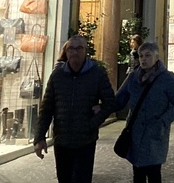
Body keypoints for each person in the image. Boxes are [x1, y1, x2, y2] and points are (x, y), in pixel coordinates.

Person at [33, 36, 117, 183]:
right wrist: (39, 137)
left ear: (85, 51)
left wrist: (92, 124)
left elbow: (110, 102)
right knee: (64, 178)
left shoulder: (97, 74)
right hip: (62, 139)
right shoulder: (57, 76)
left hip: (85, 140)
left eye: (79, 48)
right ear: (66, 51)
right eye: (71, 48)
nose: (75, 52)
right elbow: (47, 107)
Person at [113, 42, 174, 183]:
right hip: (135, 132)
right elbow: (119, 100)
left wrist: (163, 122)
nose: (143, 59)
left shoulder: (167, 78)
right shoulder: (133, 77)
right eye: (141, 56)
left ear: (156, 57)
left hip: (155, 133)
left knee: (154, 172)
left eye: (148, 55)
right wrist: (102, 107)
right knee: (138, 172)